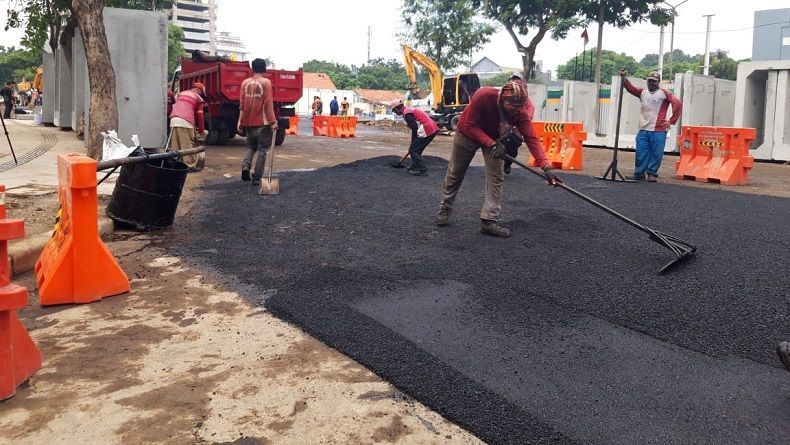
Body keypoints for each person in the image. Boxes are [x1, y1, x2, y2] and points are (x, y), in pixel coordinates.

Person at [435, 79, 561, 238]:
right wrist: (491, 144)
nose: (517, 111)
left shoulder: (521, 112)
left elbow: (531, 138)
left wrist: (546, 167)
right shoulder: (484, 96)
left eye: (520, 107)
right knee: (456, 172)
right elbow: (470, 125)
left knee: (496, 176)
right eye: (513, 107)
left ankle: (489, 220)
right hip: (467, 134)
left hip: (495, 138)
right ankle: (445, 208)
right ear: (502, 100)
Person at [620, 69, 683, 182]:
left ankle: (652, 173)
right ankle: (639, 173)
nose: (651, 83)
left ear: (659, 82)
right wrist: (624, 78)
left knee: (656, 153)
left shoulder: (664, 93)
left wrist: (671, 121)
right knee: (641, 152)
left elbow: (677, 103)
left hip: (658, 130)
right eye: (650, 80)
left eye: (654, 81)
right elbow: (630, 88)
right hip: (643, 128)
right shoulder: (642, 92)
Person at [238, 57, 277, 186]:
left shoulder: (245, 83)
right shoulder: (266, 82)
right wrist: (273, 121)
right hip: (263, 123)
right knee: (262, 150)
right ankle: (257, 178)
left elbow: (242, 105)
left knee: (251, 146)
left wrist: (239, 121)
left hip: (248, 122)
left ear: (252, 68)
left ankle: (245, 166)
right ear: (264, 68)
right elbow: (268, 103)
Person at [389, 99, 439, 176]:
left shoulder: (407, 113)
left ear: (397, 108)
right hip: (432, 128)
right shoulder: (408, 110)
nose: (395, 112)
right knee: (417, 150)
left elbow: (414, 127)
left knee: (413, 150)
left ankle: (422, 170)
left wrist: (413, 141)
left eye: (394, 111)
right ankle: (415, 166)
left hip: (427, 128)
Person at [502, 76, 536, 175]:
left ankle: (507, 163)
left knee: (513, 147)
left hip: (516, 128)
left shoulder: (524, 99)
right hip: (502, 127)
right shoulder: (502, 95)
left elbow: (530, 111)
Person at [168, 82, 206, 172]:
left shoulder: (181, 93)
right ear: (199, 90)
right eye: (201, 93)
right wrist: (201, 131)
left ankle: (176, 165)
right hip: (185, 122)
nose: (201, 95)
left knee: (175, 146)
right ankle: (189, 165)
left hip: (173, 120)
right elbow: (200, 116)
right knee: (187, 145)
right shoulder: (198, 98)